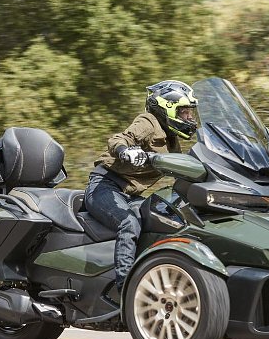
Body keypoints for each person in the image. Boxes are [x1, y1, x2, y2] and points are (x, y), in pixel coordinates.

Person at [84, 80, 199, 302]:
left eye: (189, 113)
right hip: (105, 185)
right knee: (129, 222)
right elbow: (118, 139)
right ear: (167, 107)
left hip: (130, 194)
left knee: (166, 220)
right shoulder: (149, 122)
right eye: (184, 112)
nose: (189, 118)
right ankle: (125, 288)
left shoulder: (173, 141)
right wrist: (126, 151)